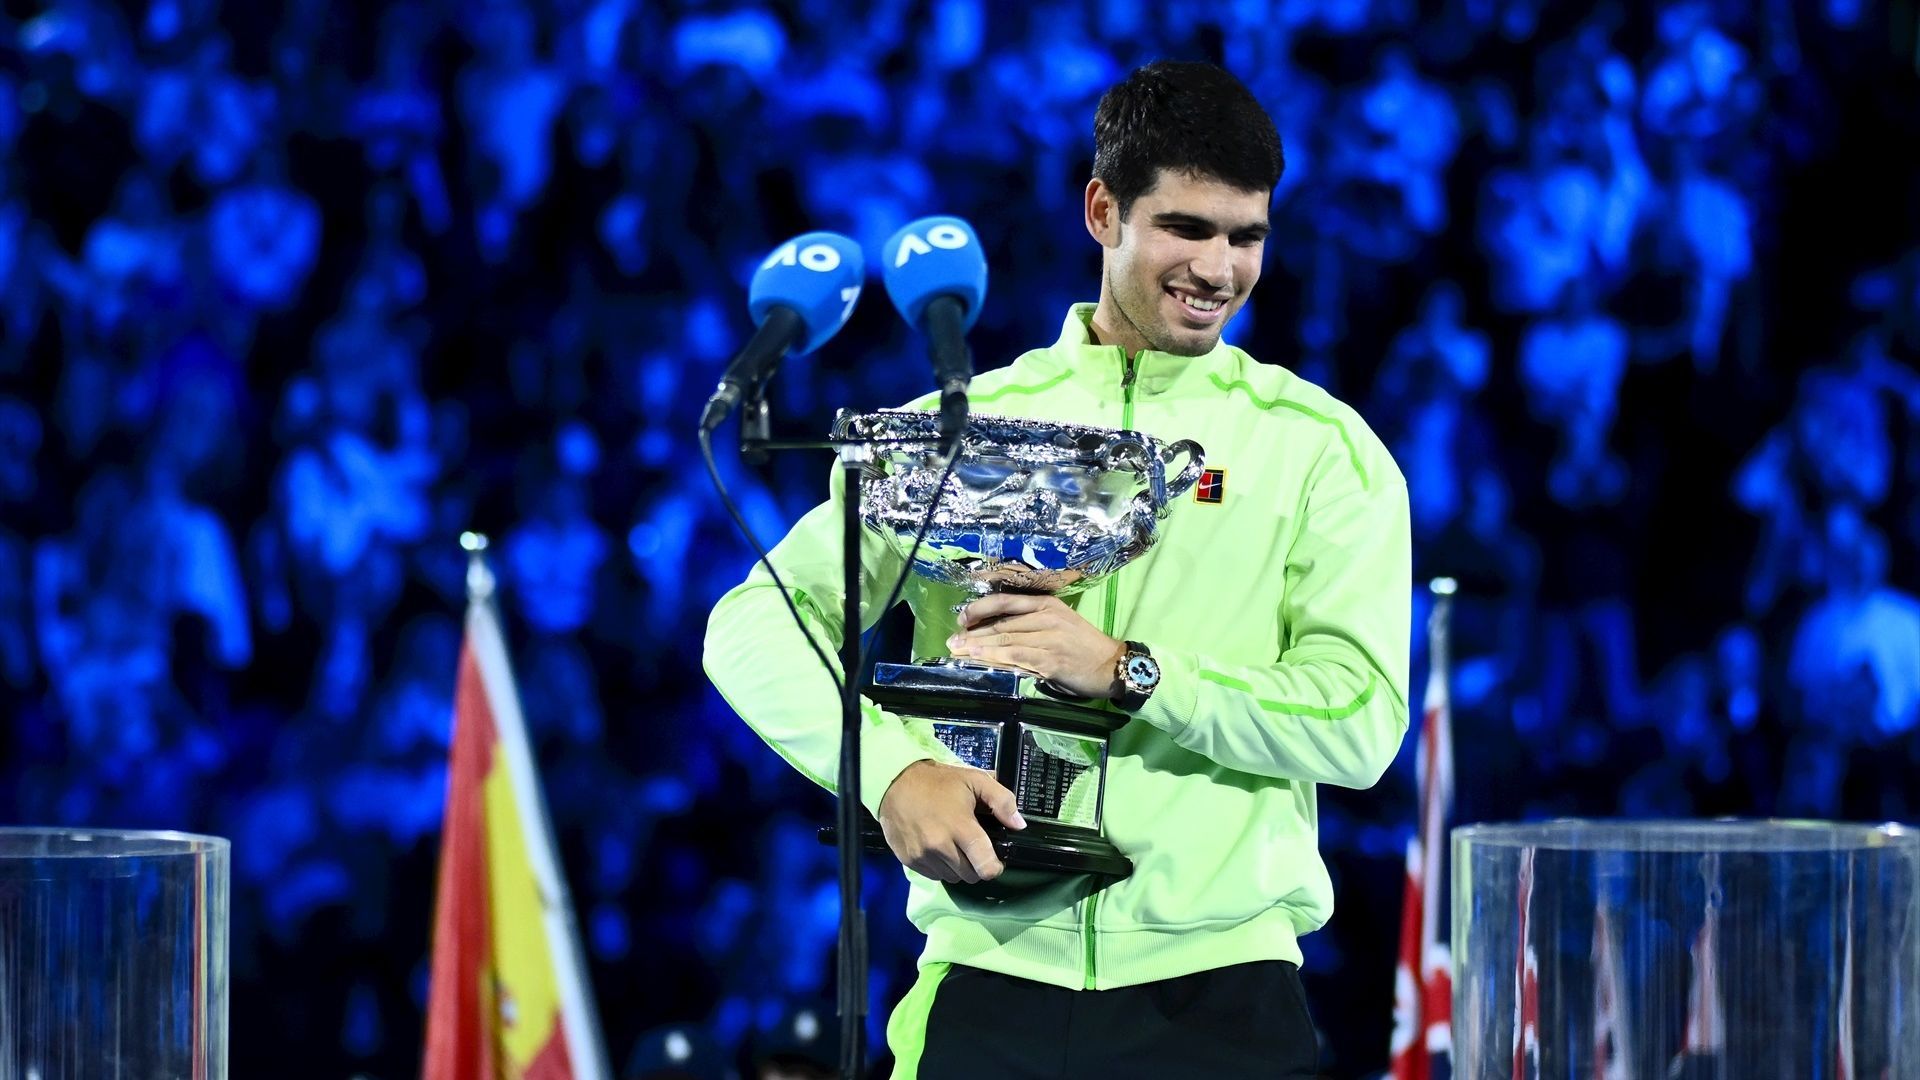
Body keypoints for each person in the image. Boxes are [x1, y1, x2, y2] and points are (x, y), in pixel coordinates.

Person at [705, 61, 1410, 1078]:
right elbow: (753, 625)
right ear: (1102, 210)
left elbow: (1358, 724)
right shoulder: (960, 424)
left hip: (1220, 1000)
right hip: (987, 981)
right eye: (1186, 229)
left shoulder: (1319, 450)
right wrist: (893, 769)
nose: (1218, 269)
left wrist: (1129, 668)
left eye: (1245, 236)